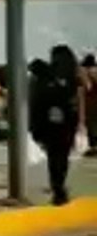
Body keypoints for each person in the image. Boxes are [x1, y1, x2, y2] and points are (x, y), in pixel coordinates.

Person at [30, 45, 83, 206]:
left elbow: (37, 101)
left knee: (53, 156)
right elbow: (77, 100)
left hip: (50, 123)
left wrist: (35, 126)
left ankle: (57, 187)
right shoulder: (73, 75)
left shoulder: (46, 75)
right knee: (63, 155)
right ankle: (59, 186)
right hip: (67, 122)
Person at [83, 54, 97, 156]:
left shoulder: (89, 73)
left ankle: (93, 147)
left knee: (91, 126)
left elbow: (88, 87)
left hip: (91, 104)